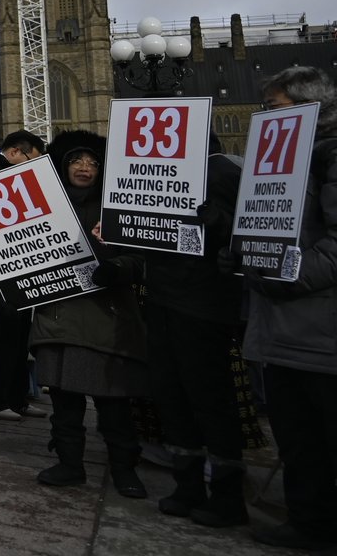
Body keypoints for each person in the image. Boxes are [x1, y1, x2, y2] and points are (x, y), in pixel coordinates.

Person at [243, 67, 337, 549]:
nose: (266, 117)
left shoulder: (330, 156)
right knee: (298, 440)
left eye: (274, 108)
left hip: (322, 334)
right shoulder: (277, 161)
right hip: (282, 333)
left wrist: (286, 277)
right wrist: (241, 256)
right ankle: (308, 523)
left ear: (309, 107)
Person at [31, 130, 146, 497]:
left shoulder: (117, 205)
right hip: (58, 317)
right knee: (64, 400)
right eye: (77, 161)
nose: (84, 167)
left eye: (92, 162)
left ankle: (125, 468)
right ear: (64, 166)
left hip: (105, 317)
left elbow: (141, 256)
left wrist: (118, 268)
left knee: (113, 401)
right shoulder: (44, 204)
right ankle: (69, 463)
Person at [140, 130, 246, 526]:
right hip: (163, 298)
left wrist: (218, 222)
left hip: (203, 305)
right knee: (172, 397)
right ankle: (187, 485)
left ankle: (227, 495)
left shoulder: (222, 173)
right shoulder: (159, 175)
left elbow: (250, 232)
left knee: (210, 399)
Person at [0, 130, 47, 421]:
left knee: (19, 335)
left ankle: (17, 397)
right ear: (14, 151)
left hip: (20, 265)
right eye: (31, 158)